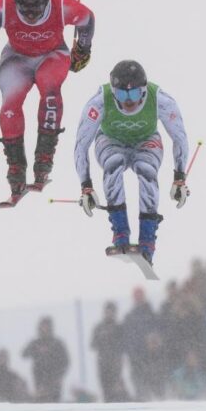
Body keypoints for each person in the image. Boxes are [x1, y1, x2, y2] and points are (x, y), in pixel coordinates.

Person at [0, 0, 95, 205]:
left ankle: (44, 160)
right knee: (10, 104)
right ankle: (15, 169)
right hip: (17, 57)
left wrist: (82, 50)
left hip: (53, 55)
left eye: (36, 8)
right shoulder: (4, 6)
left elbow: (86, 18)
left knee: (50, 90)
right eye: (23, 8)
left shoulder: (61, 5)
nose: (30, 14)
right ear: (15, 0)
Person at [73, 60, 190, 263]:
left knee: (146, 170)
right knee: (113, 163)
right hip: (111, 140)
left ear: (143, 90)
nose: (128, 101)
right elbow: (81, 144)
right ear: (113, 92)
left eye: (134, 94)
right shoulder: (99, 102)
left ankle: (147, 239)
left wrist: (179, 177)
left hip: (146, 140)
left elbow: (179, 137)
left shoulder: (160, 100)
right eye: (121, 95)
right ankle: (120, 233)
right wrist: (86, 186)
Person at [21, 316, 70, 403]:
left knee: (53, 403)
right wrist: (36, 350)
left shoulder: (57, 343)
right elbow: (24, 354)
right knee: (41, 402)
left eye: (47, 326)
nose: (45, 328)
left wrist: (59, 376)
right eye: (43, 326)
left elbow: (66, 361)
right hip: (39, 378)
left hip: (54, 379)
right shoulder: (36, 343)